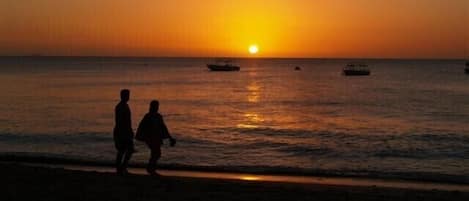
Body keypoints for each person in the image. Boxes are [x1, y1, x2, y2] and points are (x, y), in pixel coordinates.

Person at [136, 100, 176, 176]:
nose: (157, 108)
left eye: (157, 106)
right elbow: (141, 127)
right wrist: (141, 136)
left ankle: (151, 168)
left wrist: (170, 137)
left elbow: (163, 127)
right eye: (156, 106)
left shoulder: (158, 116)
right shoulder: (148, 116)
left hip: (156, 137)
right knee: (156, 153)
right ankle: (151, 169)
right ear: (152, 107)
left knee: (156, 154)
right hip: (150, 138)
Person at [113, 89, 134, 175]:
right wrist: (125, 131)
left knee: (127, 150)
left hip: (125, 131)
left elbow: (127, 121)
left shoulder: (125, 106)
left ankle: (122, 167)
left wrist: (130, 130)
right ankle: (120, 168)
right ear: (122, 96)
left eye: (128, 95)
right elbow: (120, 121)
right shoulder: (120, 107)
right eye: (127, 95)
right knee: (123, 150)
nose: (128, 97)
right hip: (122, 131)